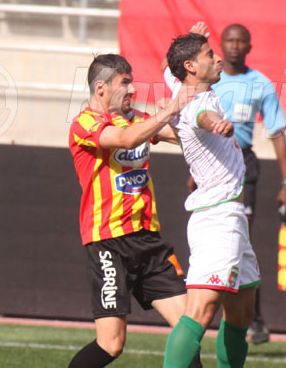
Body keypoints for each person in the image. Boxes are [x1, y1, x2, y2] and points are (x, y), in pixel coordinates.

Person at [67, 53, 201, 368]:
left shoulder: (137, 119)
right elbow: (126, 139)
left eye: (132, 82)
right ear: (101, 89)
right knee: (112, 344)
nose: (132, 90)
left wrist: (199, 97)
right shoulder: (84, 123)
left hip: (149, 241)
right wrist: (170, 108)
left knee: (188, 330)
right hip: (108, 242)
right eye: (124, 83)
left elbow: (184, 137)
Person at [162, 33, 259, 368]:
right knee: (200, 311)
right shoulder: (198, 104)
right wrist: (218, 124)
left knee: (242, 311)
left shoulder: (182, 88)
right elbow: (204, 118)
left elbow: (169, 71)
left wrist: (182, 46)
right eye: (209, 54)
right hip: (218, 218)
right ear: (191, 67)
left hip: (230, 215)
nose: (217, 59)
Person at [211, 23, 286, 344]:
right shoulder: (210, 81)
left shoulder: (260, 84)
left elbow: (277, 133)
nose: (234, 46)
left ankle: (253, 318)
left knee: (240, 239)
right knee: (212, 238)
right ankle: (206, 306)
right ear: (220, 45)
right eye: (228, 40)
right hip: (210, 164)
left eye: (240, 41)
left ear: (249, 46)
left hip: (243, 165)